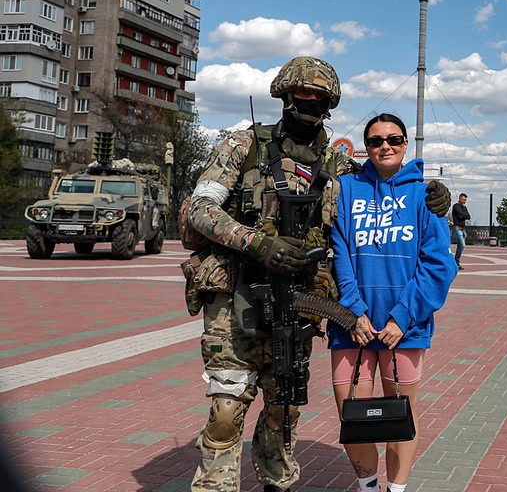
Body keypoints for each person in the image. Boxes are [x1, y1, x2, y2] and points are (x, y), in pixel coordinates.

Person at [186, 58, 451, 492]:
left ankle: (277, 482)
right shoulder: (243, 145)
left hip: (299, 301)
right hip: (238, 296)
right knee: (228, 407)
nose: (308, 104)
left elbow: (380, 181)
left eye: (318, 98)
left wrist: (429, 190)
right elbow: (199, 209)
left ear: (329, 103)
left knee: (284, 405)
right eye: (300, 96)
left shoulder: (337, 164)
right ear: (284, 97)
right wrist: (256, 243)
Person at [328, 113, 457, 492]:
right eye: (376, 140)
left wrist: (402, 317)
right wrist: (354, 313)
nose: (385, 146)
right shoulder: (347, 188)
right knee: (352, 415)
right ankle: (368, 486)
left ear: (405, 145)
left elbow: (438, 265)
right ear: (365, 147)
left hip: (405, 329)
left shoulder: (424, 195)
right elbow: (339, 255)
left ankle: (397, 490)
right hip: (352, 325)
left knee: (402, 416)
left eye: (395, 139)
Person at [451, 193, 470, 269]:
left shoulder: (464, 208)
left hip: (463, 229)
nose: (464, 201)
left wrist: (463, 216)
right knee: (462, 245)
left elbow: (468, 216)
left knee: (460, 246)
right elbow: (461, 214)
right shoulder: (456, 206)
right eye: (463, 200)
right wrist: (463, 216)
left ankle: (456, 263)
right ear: (459, 199)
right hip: (457, 228)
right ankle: (456, 262)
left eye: (465, 200)